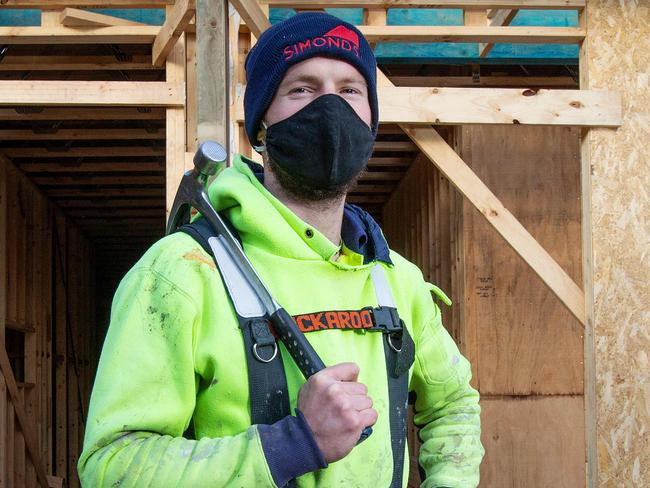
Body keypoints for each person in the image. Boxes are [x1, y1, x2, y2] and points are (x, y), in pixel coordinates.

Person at [78, 12, 483, 488]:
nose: (330, 109)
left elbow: (453, 404)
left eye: (350, 90)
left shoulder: (395, 280)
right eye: (302, 90)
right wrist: (294, 444)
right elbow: (113, 466)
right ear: (261, 126)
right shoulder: (182, 273)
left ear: (370, 122)